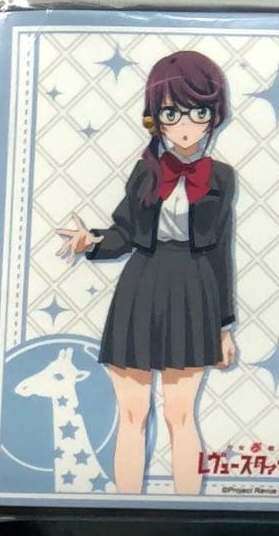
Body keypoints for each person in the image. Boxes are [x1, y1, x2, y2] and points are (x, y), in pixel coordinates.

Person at [57, 50, 237, 495]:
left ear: (214, 115)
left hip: (194, 289)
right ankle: (125, 506)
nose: (186, 126)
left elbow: (220, 250)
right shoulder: (145, 172)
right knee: (132, 414)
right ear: (156, 118)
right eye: (172, 114)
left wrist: (224, 326)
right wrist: (91, 241)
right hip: (141, 286)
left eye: (198, 112)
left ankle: (187, 511)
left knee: (181, 415)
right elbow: (125, 233)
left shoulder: (221, 177)